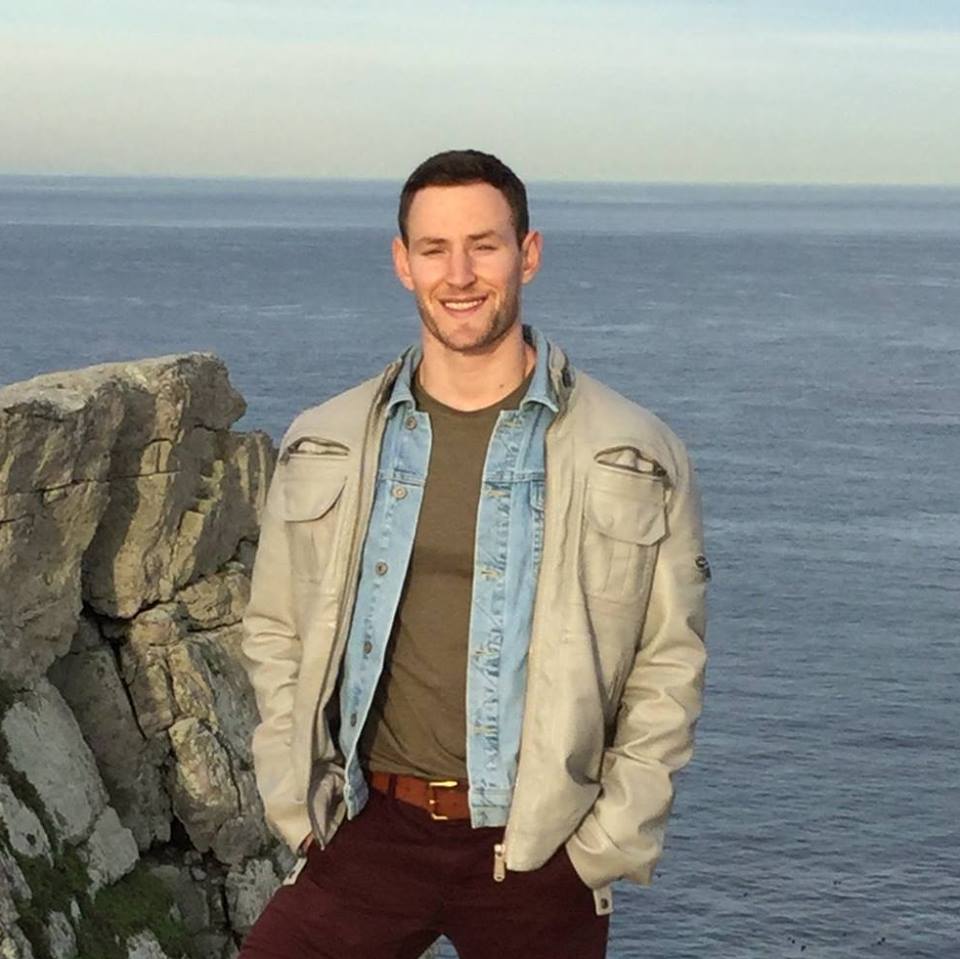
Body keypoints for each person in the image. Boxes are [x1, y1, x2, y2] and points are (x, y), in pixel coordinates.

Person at [239, 149, 709, 959]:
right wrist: (297, 803)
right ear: (403, 262)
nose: (459, 275)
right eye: (435, 249)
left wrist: (601, 845)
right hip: (368, 830)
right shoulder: (328, 440)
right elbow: (275, 628)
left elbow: (668, 663)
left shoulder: (634, 451)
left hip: (539, 851)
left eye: (484, 246)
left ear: (528, 253)